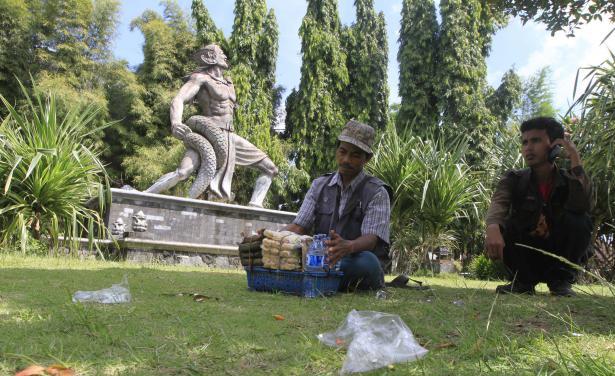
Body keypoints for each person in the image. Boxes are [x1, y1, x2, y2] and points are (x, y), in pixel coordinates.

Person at [145, 44, 278, 207]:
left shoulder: (229, 83)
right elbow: (179, 99)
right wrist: (176, 122)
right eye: (221, 53)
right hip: (208, 134)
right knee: (183, 172)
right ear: (210, 57)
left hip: (229, 137)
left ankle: (254, 207)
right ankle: (144, 195)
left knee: (270, 169)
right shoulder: (200, 78)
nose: (225, 56)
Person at [484, 117, 593, 296]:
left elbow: (584, 205)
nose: (528, 147)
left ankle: (560, 282)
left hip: (558, 257)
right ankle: (522, 282)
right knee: (509, 224)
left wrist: (575, 159)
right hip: (525, 257)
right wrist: (493, 227)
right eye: (524, 142)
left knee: (580, 220)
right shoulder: (514, 179)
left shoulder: (569, 181)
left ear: (555, 146)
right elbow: (499, 203)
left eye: (536, 140)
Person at [286, 120, 391, 291]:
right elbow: (299, 227)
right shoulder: (319, 185)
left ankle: (312, 277)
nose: (346, 160)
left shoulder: (377, 192)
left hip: (354, 260)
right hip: (322, 258)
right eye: (342, 152)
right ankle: (319, 275)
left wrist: (348, 246)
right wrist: (270, 236)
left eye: (355, 155)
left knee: (368, 263)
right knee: (297, 254)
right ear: (337, 150)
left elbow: (371, 240)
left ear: (367, 159)